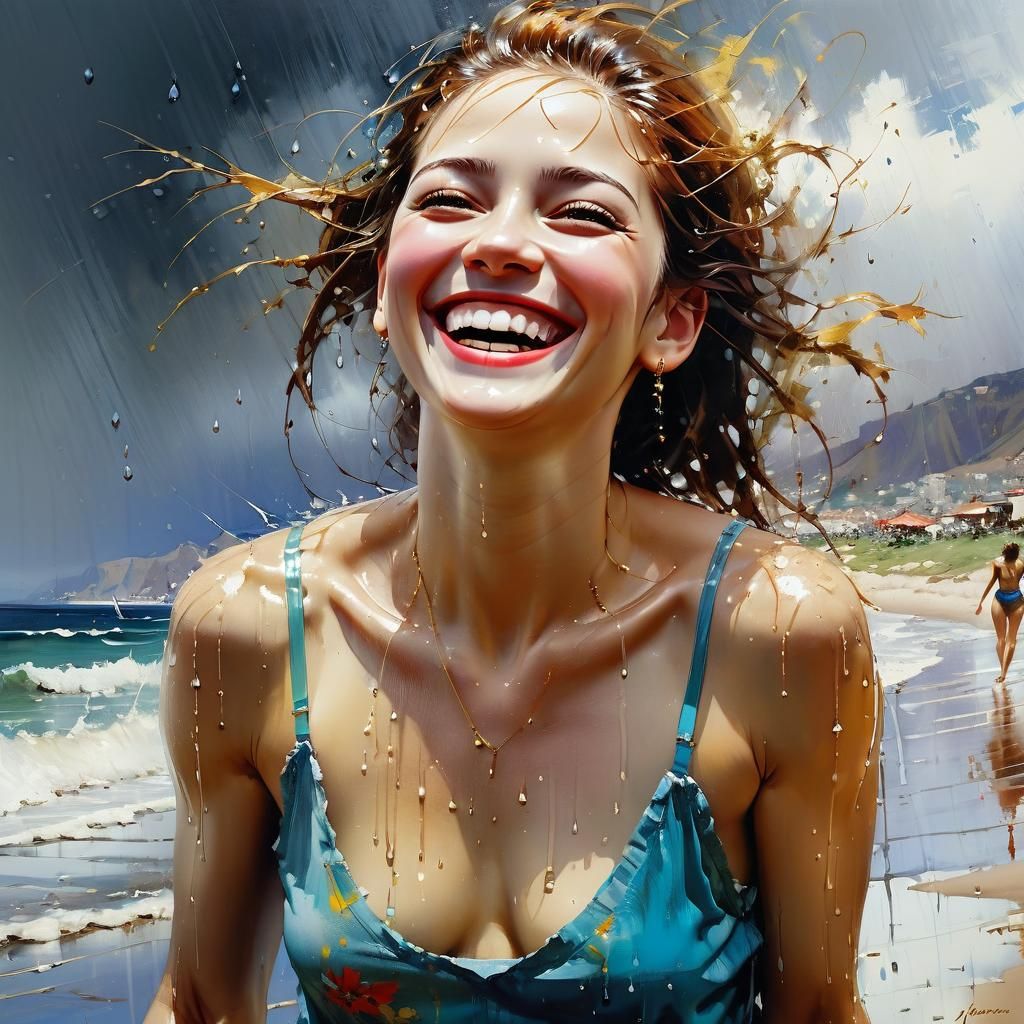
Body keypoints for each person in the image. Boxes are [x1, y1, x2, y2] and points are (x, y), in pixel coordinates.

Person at [139, 2, 930, 1020]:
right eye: (451, 200)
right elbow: (200, 1001)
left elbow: (817, 1010)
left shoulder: (775, 634)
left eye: (583, 213)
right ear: (385, 283)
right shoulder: (244, 630)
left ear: (670, 317)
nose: (502, 243)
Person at [976, 541, 1024, 683]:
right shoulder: (999, 564)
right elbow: (992, 581)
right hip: (1002, 600)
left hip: (1014, 600)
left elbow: (992, 582)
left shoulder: (1020, 564)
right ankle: (1003, 671)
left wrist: (980, 603)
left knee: (1009, 641)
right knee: (1004, 640)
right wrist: (981, 602)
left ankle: (1003, 673)